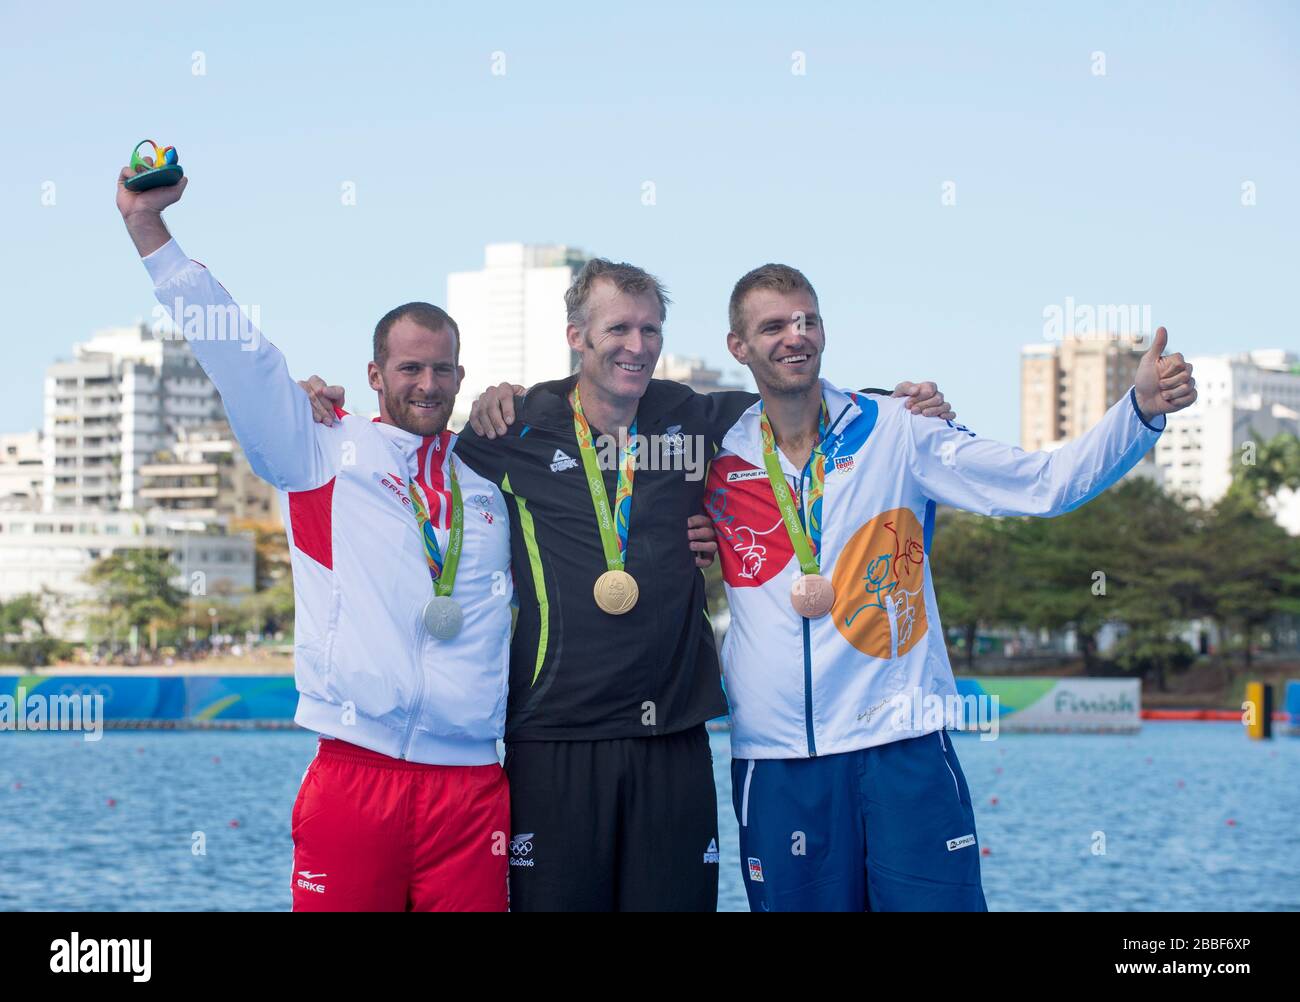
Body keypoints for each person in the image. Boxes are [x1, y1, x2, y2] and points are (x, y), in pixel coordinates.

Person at [114, 164, 717, 910]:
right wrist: (151, 232)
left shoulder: (487, 473)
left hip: (472, 789)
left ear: (462, 376)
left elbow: (587, 527)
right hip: (355, 772)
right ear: (373, 373)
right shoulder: (323, 452)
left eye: (441, 371)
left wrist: (693, 535)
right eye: (409, 369)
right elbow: (241, 361)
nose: (426, 386)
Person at [313, 257, 954, 910]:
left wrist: (894, 402)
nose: (637, 346)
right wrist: (327, 415)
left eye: (651, 330)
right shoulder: (515, 425)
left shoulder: (694, 416)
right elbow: (415, 448)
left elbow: (797, 403)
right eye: (619, 328)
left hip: (671, 741)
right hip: (553, 739)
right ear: (576, 336)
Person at [704, 263, 1196, 911]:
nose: (795, 337)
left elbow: (1045, 484)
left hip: (902, 751)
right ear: (738, 346)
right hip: (778, 762)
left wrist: (1137, 412)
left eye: (808, 321)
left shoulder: (898, 429)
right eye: (772, 326)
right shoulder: (714, 456)